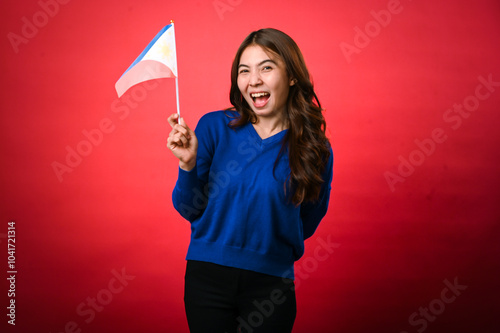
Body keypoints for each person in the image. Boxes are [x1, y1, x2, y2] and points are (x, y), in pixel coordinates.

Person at [167, 28, 334, 333]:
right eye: (244, 71)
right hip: (208, 279)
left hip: (272, 286)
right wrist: (187, 164)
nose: (253, 80)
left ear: (292, 76)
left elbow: (307, 220)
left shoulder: (314, 147)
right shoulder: (214, 127)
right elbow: (189, 209)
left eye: (266, 67)